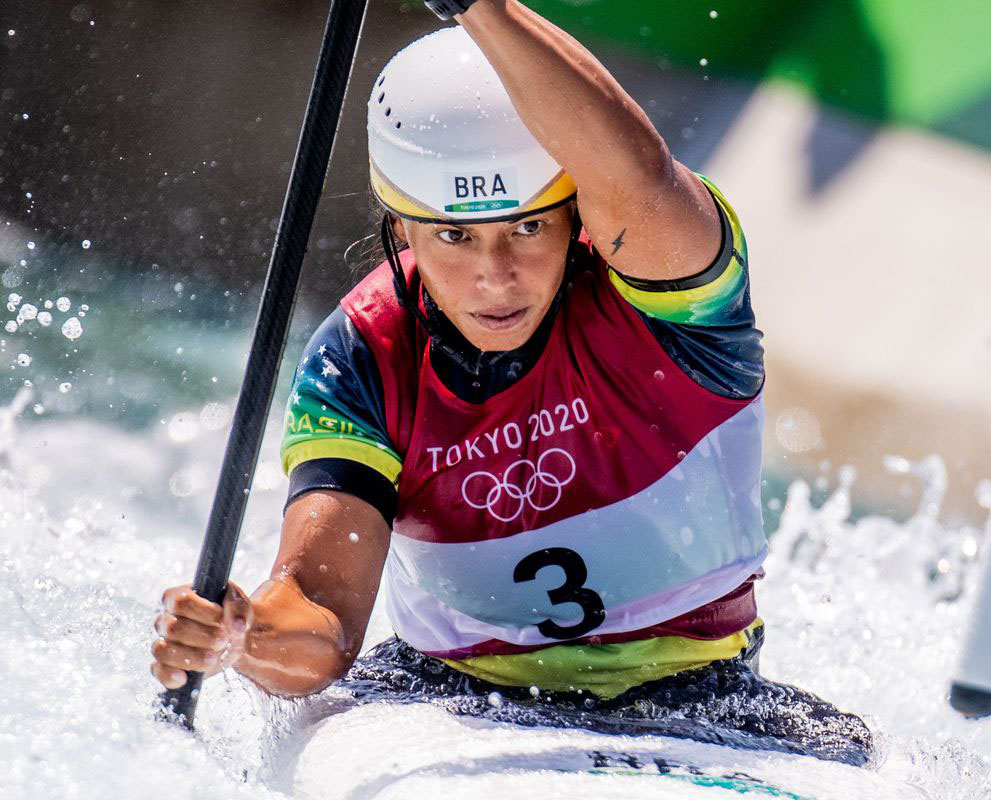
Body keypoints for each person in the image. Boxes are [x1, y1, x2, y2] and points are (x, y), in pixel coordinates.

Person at [151, 0, 871, 766]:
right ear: (403, 230)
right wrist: (243, 633)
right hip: (443, 695)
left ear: (573, 214)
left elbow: (639, 173)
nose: (496, 278)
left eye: (527, 227)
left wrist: (478, 7)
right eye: (455, 237)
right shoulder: (364, 357)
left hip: (704, 693)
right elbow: (322, 615)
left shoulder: (668, 297)